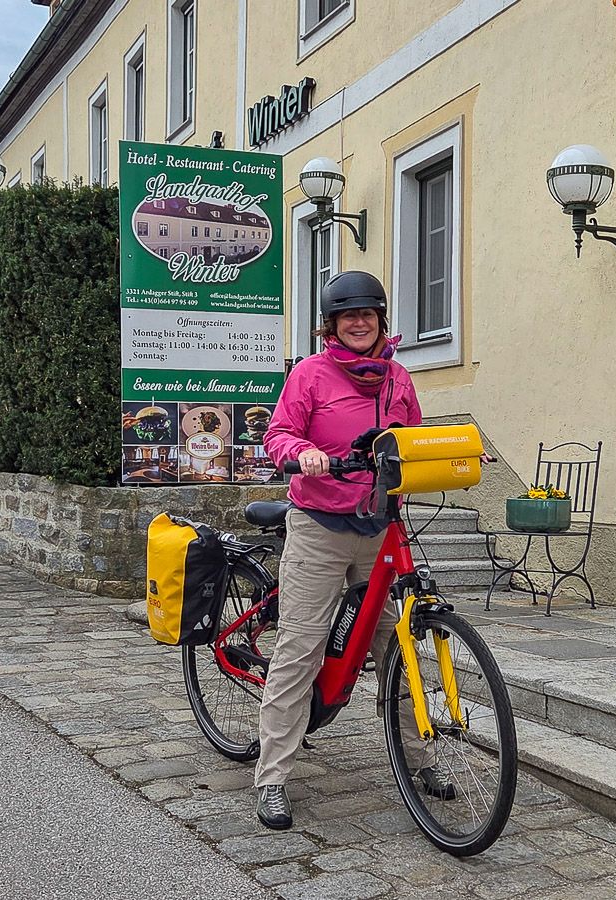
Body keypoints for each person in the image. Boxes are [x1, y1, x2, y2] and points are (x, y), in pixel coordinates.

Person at [255, 270, 451, 830]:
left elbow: (411, 439)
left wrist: (446, 458)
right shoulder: (310, 375)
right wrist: (303, 452)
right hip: (319, 525)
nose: (359, 322)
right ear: (332, 327)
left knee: (399, 646)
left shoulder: (398, 379)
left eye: (367, 314)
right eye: (347, 316)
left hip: (380, 527)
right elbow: (278, 434)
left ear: (380, 321)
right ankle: (271, 779)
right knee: (302, 646)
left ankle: (420, 761)